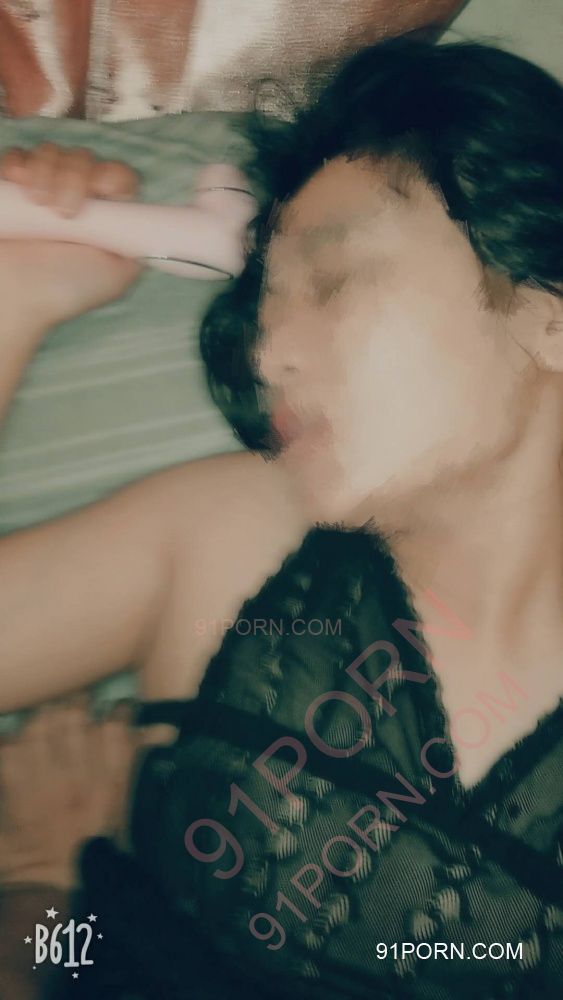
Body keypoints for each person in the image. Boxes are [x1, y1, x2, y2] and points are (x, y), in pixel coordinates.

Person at [0, 34, 562, 1000]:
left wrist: (42, 890)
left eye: (334, 280)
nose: (267, 357)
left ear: (548, 312)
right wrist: (17, 301)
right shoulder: (234, 541)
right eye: (265, 308)